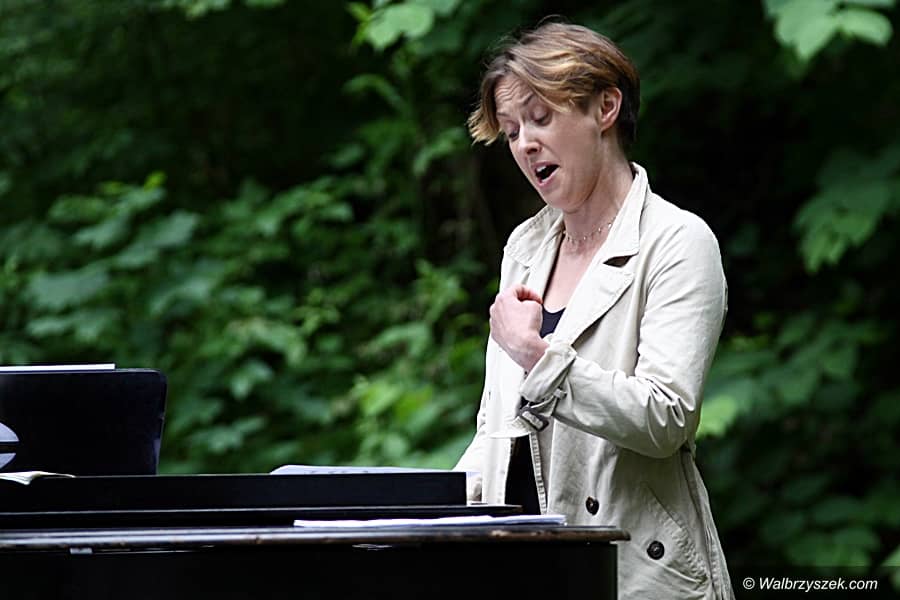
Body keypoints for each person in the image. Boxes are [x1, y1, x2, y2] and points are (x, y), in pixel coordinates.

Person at [454, 21, 735, 600]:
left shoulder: (677, 241)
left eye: (540, 118)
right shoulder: (524, 248)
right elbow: (496, 428)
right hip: (523, 573)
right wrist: (421, 515)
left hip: (635, 574)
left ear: (606, 108)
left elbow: (665, 418)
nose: (524, 144)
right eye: (512, 131)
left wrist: (539, 359)